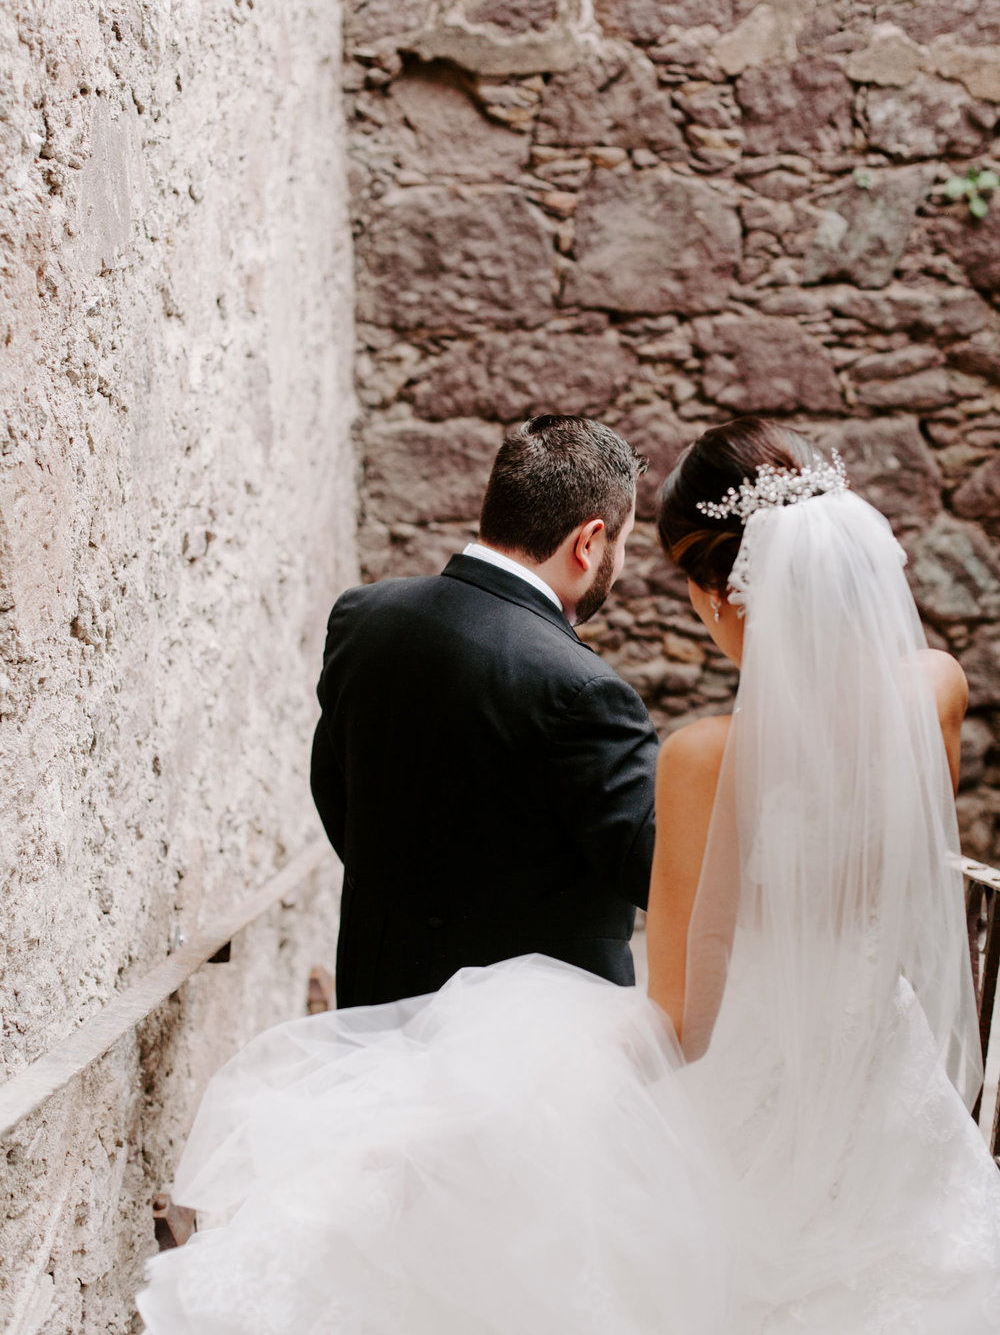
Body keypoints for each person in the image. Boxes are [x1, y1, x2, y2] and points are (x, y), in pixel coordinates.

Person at [138, 418, 1000, 1334]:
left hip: (750, 1085)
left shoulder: (708, 755)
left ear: (725, 592)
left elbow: (682, 1021)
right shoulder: (936, 686)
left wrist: (501, 1084)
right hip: (884, 1075)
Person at [309, 413, 659, 1006]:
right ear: (589, 541)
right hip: (522, 1044)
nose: (619, 567)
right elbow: (657, 874)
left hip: (375, 1006)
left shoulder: (363, 617)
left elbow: (334, 789)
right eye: (622, 544)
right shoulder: (586, 692)